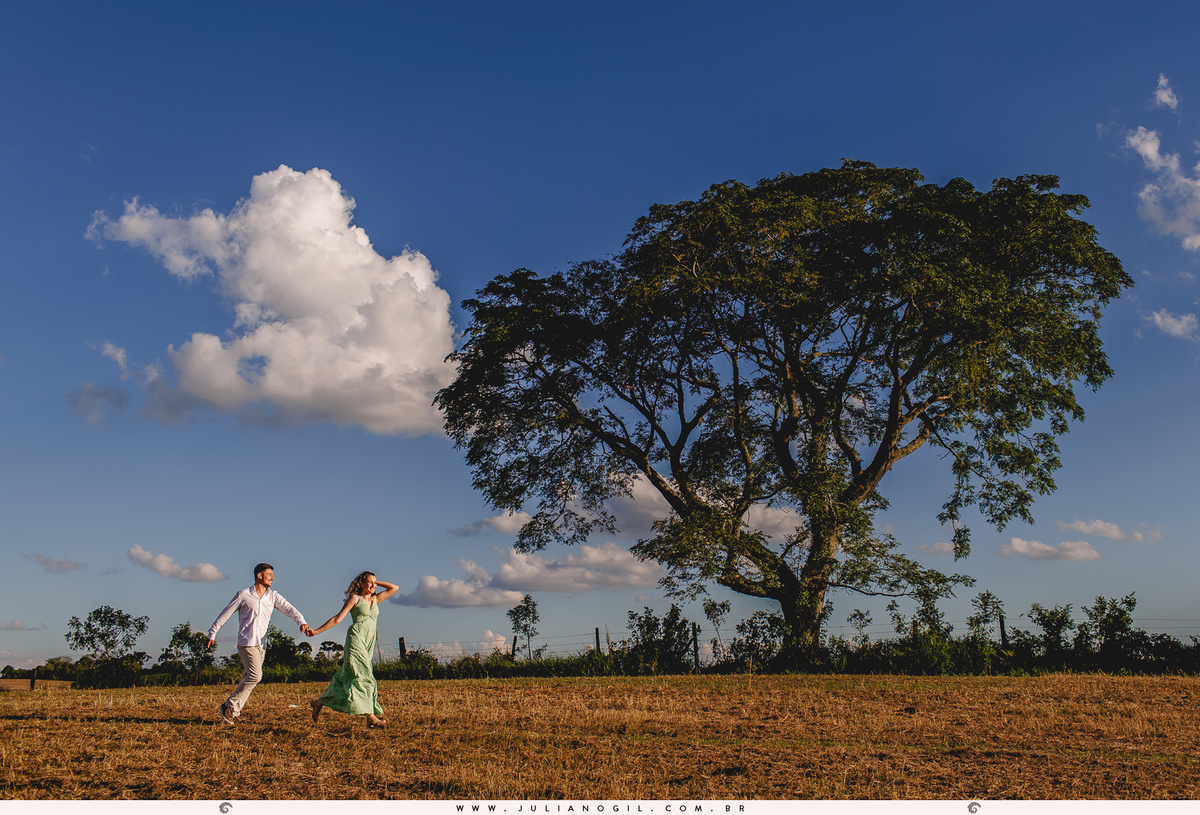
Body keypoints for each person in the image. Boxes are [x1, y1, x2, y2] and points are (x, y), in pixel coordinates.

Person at [207, 562, 314, 725]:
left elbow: (289, 609)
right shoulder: (243, 595)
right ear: (259, 575)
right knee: (256, 676)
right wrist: (213, 632)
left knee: (249, 677)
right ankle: (229, 706)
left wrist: (302, 622)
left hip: (262, 645)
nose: (273, 577)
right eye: (269, 574)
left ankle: (233, 711)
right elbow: (225, 613)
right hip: (246, 642)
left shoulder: (273, 596)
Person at [309, 571, 398, 728]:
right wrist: (316, 631)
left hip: (368, 641)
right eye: (369, 582)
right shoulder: (355, 599)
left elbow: (394, 588)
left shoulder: (376, 599)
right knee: (364, 674)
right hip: (356, 638)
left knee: (346, 676)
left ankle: (319, 702)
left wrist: (376, 582)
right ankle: (371, 716)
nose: (373, 585)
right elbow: (337, 619)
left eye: (374, 583)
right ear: (361, 583)